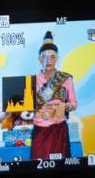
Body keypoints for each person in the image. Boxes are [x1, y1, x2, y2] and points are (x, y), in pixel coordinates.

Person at [30, 30, 78, 160]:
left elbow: (74, 104)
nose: (48, 60)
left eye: (52, 57)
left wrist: (63, 107)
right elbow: (27, 107)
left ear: (57, 58)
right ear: (40, 59)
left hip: (59, 130)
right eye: (45, 57)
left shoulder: (65, 79)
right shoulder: (32, 81)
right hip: (40, 130)